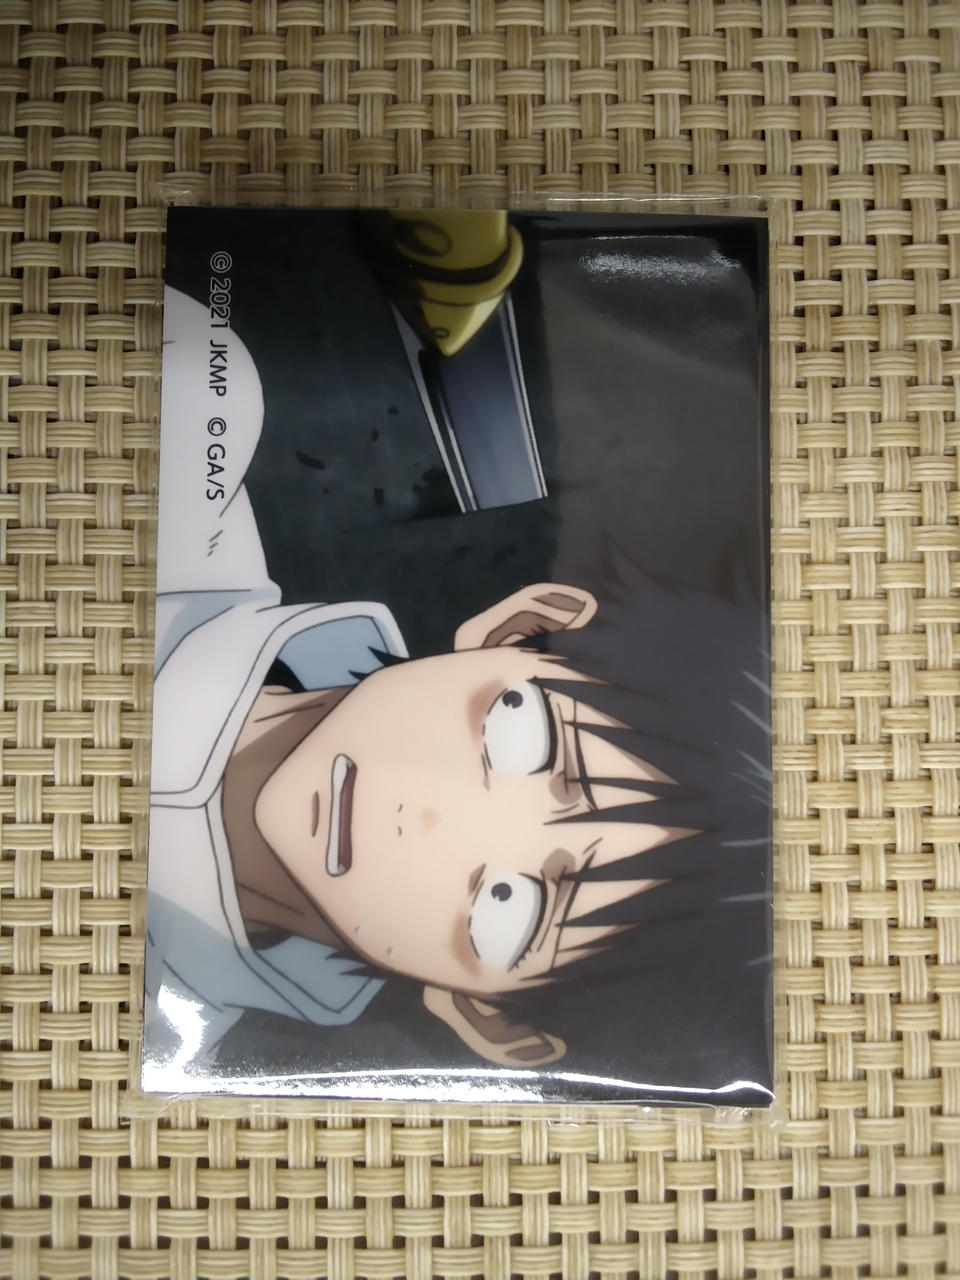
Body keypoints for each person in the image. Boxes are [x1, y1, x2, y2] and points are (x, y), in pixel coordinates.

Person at [143, 286, 770, 1090]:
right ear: (518, 627)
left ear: (485, 1017)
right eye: (521, 732)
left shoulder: (127, 1065)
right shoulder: (188, 415)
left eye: (510, 907)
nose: (425, 818)